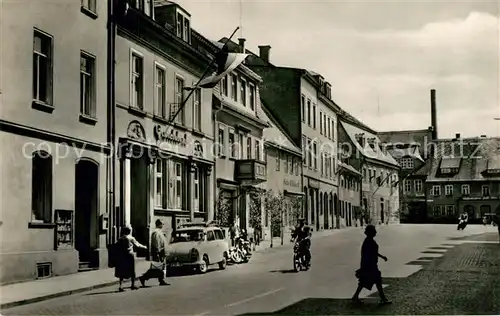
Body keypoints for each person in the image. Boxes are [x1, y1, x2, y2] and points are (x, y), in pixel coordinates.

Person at [352, 225, 391, 305]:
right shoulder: (369, 241)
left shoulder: (368, 241)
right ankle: (383, 298)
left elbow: (373, 252)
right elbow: (368, 254)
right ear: (370, 232)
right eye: (374, 231)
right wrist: (365, 266)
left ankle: (355, 296)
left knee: (364, 282)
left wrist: (382, 257)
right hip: (370, 265)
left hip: (369, 265)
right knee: (377, 280)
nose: (375, 232)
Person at [114, 225, 147, 292]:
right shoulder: (131, 238)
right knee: (132, 270)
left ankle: (120, 286)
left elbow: (116, 245)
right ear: (129, 231)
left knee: (122, 271)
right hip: (129, 255)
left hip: (122, 256)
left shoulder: (120, 238)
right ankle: (133, 285)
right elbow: (137, 244)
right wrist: (144, 247)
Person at [139, 219, 169, 287]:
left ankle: (161, 280)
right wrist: (158, 251)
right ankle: (144, 277)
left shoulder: (159, 232)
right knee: (156, 267)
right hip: (158, 252)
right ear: (159, 224)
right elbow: (156, 243)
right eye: (162, 224)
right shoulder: (156, 232)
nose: (163, 225)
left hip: (162, 252)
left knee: (161, 267)